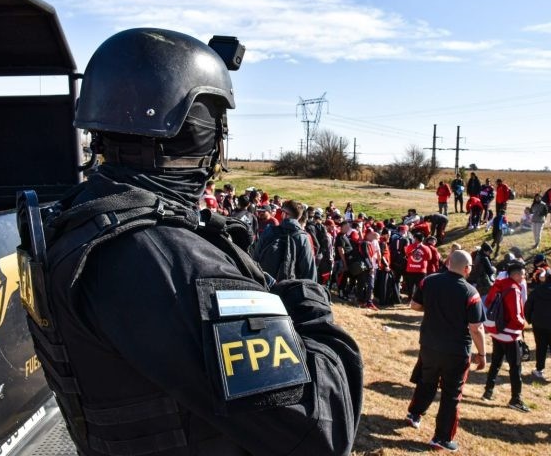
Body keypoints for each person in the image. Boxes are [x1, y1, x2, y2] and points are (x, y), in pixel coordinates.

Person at [19, 28, 363, 455]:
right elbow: (321, 431)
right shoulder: (170, 261)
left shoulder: (78, 220)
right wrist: (304, 299)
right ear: (202, 135)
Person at [406, 250, 487, 453]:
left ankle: (414, 413)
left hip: (429, 344)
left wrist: (434, 310)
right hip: (456, 351)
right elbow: (476, 328)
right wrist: (483, 354)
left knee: (427, 381)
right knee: (451, 394)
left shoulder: (429, 281)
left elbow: (414, 305)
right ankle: (441, 437)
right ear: (467, 269)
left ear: (449, 262)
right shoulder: (471, 293)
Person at [482, 262, 530, 412]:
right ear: (515, 274)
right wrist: (523, 324)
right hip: (510, 334)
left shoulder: (499, 284)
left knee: (496, 362)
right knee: (515, 367)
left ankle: (488, 391)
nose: (524, 277)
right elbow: (516, 314)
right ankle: (516, 398)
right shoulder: (514, 289)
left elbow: (488, 301)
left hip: (497, 331)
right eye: (522, 274)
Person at [255, 200, 318, 282]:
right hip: (288, 288)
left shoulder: (269, 231)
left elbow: (256, 257)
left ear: (284, 214)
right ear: (299, 217)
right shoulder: (303, 238)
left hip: (264, 283)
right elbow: (309, 271)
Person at [403, 233, 430, 299]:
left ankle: (410, 299)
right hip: (421, 270)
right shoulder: (426, 248)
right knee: (421, 286)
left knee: (410, 286)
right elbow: (429, 258)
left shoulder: (410, 246)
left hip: (410, 269)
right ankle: (420, 299)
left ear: (415, 239)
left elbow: (406, 254)